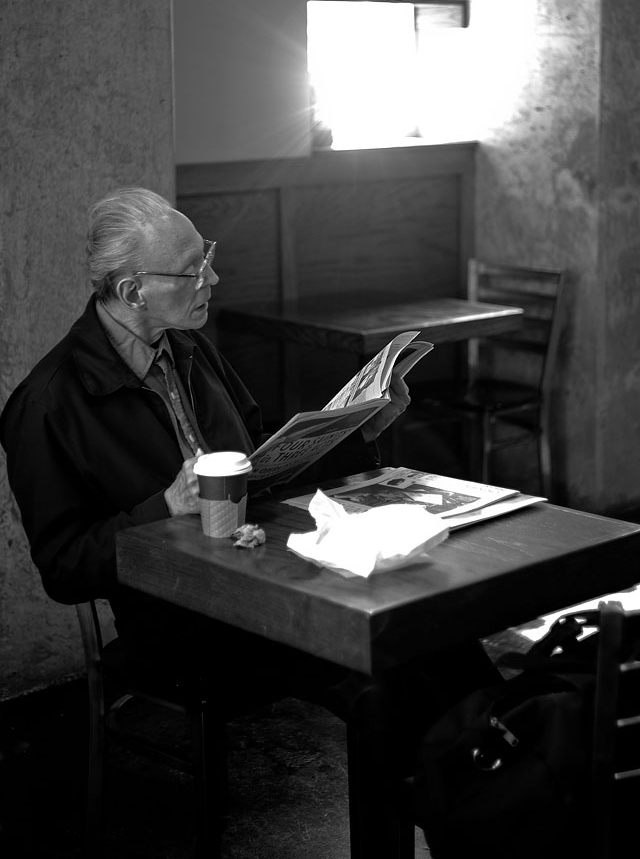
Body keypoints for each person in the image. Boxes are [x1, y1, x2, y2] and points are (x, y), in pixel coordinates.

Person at [0, 188, 497, 805]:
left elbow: (261, 457)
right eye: (193, 269)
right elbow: (64, 567)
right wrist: (165, 504)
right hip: (183, 618)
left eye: (206, 255)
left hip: (269, 571)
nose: (214, 276)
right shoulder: (46, 405)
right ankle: (473, 813)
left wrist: (361, 424)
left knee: (435, 624)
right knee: (380, 674)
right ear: (133, 292)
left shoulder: (189, 346)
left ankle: (520, 780)